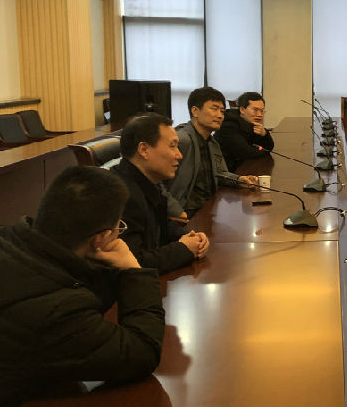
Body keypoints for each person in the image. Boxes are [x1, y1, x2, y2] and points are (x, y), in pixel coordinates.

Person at [0, 166, 164, 407]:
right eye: (119, 229)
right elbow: (143, 351)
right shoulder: (59, 311)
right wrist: (133, 271)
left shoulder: (3, 239)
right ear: (100, 240)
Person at [111, 114, 210, 274]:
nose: (179, 155)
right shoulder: (121, 195)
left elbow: (161, 224)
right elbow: (135, 263)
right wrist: (184, 249)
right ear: (144, 150)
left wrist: (191, 237)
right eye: (172, 146)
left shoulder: (148, 181)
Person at [167, 87, 258, 218]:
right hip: (185, 214)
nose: (220, 115)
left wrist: (238, 180)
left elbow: (220, 173)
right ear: (195, 111)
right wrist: (175, 211)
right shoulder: (180, 140)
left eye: (222, 111)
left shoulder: (212, 142)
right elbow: (157, 183)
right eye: (214, 109)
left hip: (209, 208)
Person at [214, 91, 274, 172]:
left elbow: (269, 146)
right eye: (255, 110)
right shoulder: (228, 125)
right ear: (242, 109)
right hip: (226, 173)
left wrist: (264, 134)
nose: (259, 114)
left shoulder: (250, 123)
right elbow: (246, 152)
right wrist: (264, 150)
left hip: (241, 167)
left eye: (262, 111)